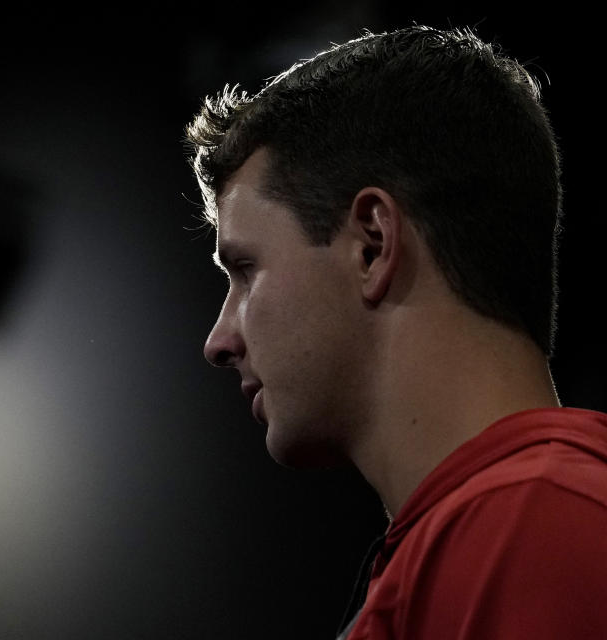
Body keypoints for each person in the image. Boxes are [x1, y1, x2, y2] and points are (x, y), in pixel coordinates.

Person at [186, 25, 607, 639]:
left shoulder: (540, 524)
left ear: (373, 246)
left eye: (245, 270)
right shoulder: (485, 536)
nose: (218, 341)